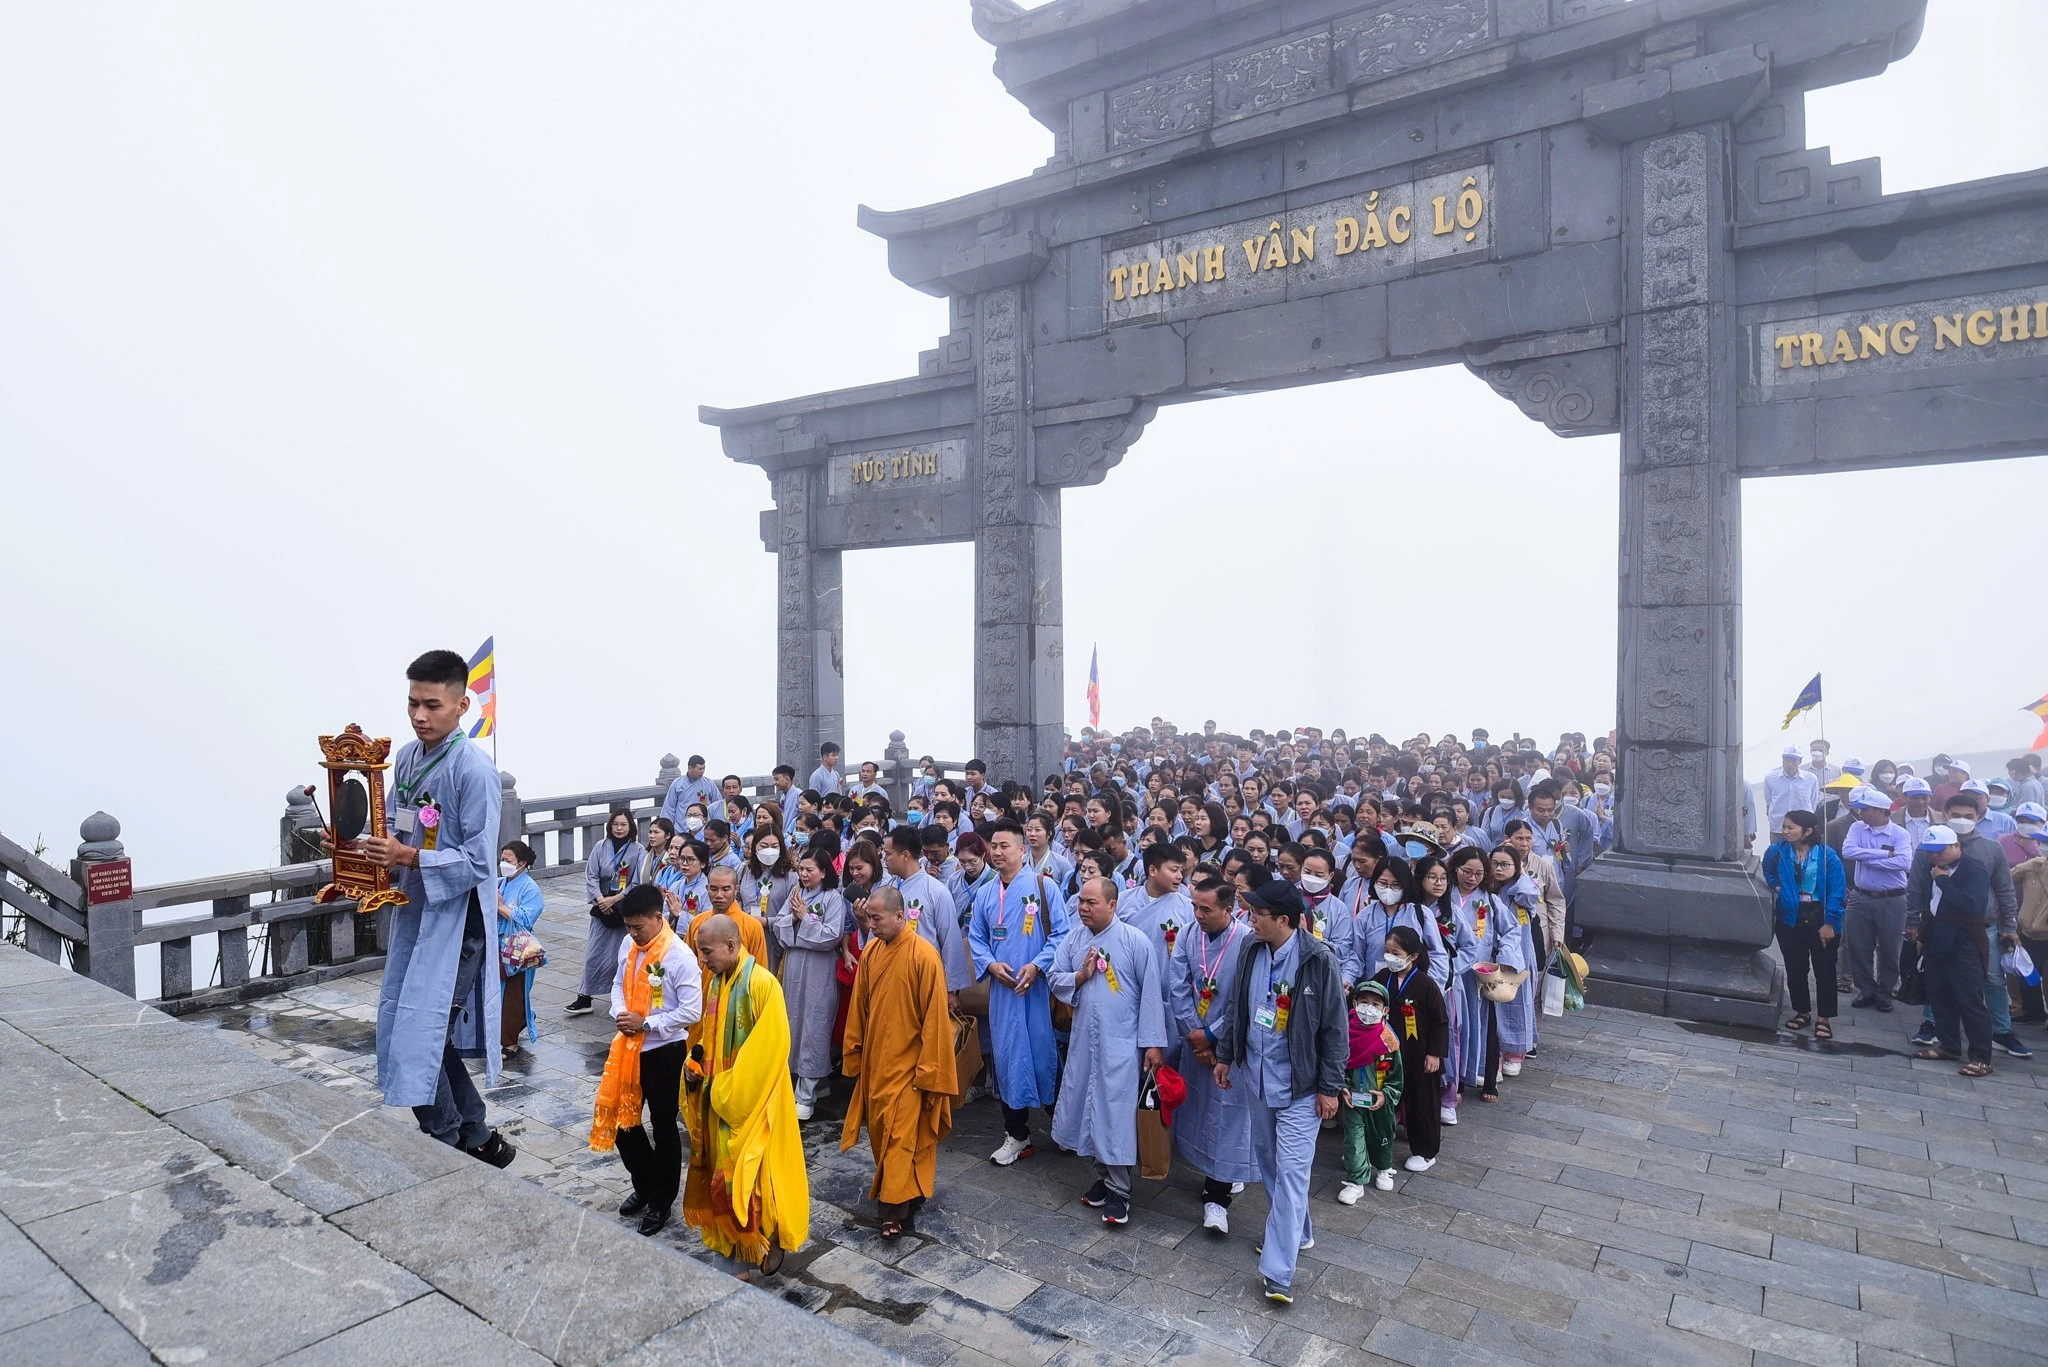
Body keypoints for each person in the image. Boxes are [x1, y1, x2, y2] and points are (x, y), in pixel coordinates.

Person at [351, 649, 514, 1165]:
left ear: (462, 705)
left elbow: (479, 861)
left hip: (458, 921)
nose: (419, 716)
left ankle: (446, 1140)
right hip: (416, 909)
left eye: (432, 705)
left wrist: (409, 857)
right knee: (408, 1026)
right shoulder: (405, 758)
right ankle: (476, 1133)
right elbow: (397, 826)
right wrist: (363, 847)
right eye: (412, 704)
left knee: (421, 1034)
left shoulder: (475, 771)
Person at [1208, 879, 1346, 1305]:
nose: (1250, 920)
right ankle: (1298, 1232)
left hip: (1301, 1086)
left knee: (1291, 1173)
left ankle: (1277, 1272)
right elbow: (1237, 1008)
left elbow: (1335, 1030)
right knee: (1268, 1160)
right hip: (1258, 1077)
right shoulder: (1252, 949)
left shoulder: (1319, 960)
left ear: (1283, 919)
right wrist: (1226, 1055)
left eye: (1257, 914)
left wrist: (1330, 1087)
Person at [681, 913, 808, 1274]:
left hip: (753, 1104)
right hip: (721, 1102)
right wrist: (693, 1069)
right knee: (726, 1181)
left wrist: (725, 1090)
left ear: (731, 945)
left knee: (754, 1181)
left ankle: (760, 1244)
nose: (703, 959)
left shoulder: (762, 985)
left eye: (707, 952)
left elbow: (771, 1050)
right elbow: (706, 1039)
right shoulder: (717, 983)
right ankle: (740, 1253)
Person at [1051, 875, 1170, 1228]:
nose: (1083, 908)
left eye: (1091, 902)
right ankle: (1103, 1177)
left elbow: (1151, 994)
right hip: (1084, 1043)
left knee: (1115, 1114)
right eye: (1081, 902)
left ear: (1112, 905)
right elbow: (1054, 976)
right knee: (1087, 1108)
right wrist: (1079, 976)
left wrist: (1152, 1044)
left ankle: (1120, 1190)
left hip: (1121, 1045)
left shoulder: (1134, 941)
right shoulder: (1075, 938)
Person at [840, 886, 957, 1239]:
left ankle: (892, 1211)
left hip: (911, 1068)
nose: (870, 925)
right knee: (882, 1136)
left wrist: (928, 1072)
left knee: (900, 1138)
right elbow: (859, 1007)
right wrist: (854, 1052)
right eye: (868, 918)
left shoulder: (924, 956)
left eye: (876, 918)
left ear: (900, 916)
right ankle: (909, 1192)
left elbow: (935, 1021)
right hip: (878, 1064)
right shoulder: (872, 952)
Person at [589, 884, 704, 1236]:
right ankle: (644, 1183)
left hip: (664, 1051)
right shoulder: (629, 943)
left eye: (638, 927)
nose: (633, 934)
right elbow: (617, 985)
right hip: (628, 1047)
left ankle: (660, 1201)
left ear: (658, 917)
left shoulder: (680, 956)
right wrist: (621, 1013)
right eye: (629, 927)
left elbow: (692, 1011)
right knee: (623, 1122)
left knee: (664, 1126)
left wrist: (648, 1023)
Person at [968, 819, 1071, 1165]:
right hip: (1003, 992)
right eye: (993, 846)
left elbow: (1062, 934)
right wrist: (990, 965)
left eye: (1004, 846)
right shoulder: (985, 893)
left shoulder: (1044, 886)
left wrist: (1037, 965)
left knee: (1045, 1055)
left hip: (1035, 990)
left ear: (1021, 850)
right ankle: (1017, 1133)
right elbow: (976, 937)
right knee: (1008, 1057)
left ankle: (1064, 1127)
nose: (997, 852)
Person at [1167, 871, 1257, 1234]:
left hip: (1228, 1046)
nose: (1198, 915)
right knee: (1198, 1111)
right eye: (1195, 907)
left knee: (1227, 1120)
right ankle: (1208, 1171)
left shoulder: (1247, 941)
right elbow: (1177, 985)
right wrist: (1193, 1034)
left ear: (1228, 909)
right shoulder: (1188, 934)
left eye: (1206, 909)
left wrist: (1212, 1035)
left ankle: (1217, 1198)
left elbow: (1244, 997)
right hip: (1194, 1040)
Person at [1910, 828, 1996, 1076]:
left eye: (1940, 850)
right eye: (1930, 852)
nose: (1935, 856)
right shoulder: (1932, 868)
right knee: (1939, 993)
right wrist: (1922, 934)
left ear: (1957, 846)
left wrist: (1943, 881)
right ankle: (1948, 1045)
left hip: (1965, 937)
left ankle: (1981, 1057)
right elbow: (1928, 901)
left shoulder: (1974, 869)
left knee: (1969, 998)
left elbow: (1972, 905)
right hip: (1937, 933)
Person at [773, 851, 850, 1121]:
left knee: (815, 1026)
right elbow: (779, 924)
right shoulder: (797, 893)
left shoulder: (833, 898)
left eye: (810, 870)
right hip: (795, 966)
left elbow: (832, 936)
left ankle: (805, 1095)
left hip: (820, 970)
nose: (804, 875)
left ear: (824, 872)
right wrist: (794, 918)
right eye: (802, 869)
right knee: (793, 1023)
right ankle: (809, 1085)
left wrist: (805, 918)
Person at [1762, 810, 1846, 1038]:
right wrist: (1778, 888)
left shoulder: (1827, 856)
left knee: (1825, 969)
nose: (1785, 831)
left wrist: (1830, 923)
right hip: (1790, 916)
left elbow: (1837, 891)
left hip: (1820, 914)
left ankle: (1824, 1017)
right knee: (1795, 967)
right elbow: (1768, 871)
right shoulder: (1777, 851)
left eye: (1791, 828)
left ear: (1807, 831)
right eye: (1784, 826)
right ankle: (1802, 1011)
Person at [1375, 923, 1449, 1173]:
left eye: (1396, 953)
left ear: (1413, 956)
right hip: (1386, 1052)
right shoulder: (1381, 978)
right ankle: (1373, 1147)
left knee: (1423, 1104)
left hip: (1419, 1055)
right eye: (1387, 952)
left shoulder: (1426, 985)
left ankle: (1425, 1151)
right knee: (1383, 1099)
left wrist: (1435, 1054)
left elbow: (1440, 1021)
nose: (1390, 957)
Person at [1839, 787, 1911, 1014]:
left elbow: (1903, 863)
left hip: (1892, 899)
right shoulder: (1857, 828)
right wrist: (1884, 854)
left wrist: (1868, 859)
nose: (1860, 813)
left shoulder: (1900, 834)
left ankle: (1885, 992)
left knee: (1890, 949)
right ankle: (1866, 989)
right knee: (1858, 947)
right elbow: (1848, 852)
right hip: (1860, 896)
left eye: (1865, 809)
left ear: (1880, 811)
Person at [882, 827, 971, 1004]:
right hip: (889, 973)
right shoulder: (887, 888)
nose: (884, 859)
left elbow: (950, 941)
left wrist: (952, 989)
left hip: (923, 976)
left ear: (905, 855)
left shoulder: (936, 891)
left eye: (888, 854)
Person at [569, 809, 642, 1016]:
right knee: (594, 953)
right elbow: (591, 875)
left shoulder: (638, 850)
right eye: (615, 824)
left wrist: (616, 899)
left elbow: (637, 881)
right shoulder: (600, 847)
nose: (619, 828)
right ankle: (585, 995)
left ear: (630, 827)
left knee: (622, 955)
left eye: (623, 824)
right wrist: (601, 899)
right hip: (602, 908)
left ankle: (623, 997)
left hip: (623, 909)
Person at [1336, 980, 1403, 1202]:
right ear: (1354, 1003)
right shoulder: (1345, 1033)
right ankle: (1356, 1181)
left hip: (1379, 1103)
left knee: (1382, 1137)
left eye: (1375, 1004)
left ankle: (1383, 1167)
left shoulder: (1388, 1040)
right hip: (1353, 1100)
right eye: (1364, 1002)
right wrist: (1343, 1087)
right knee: (1354, 1141)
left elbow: (1396, 1076)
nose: (1369, 1008)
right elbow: (1340, 1065)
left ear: (1385, 1010)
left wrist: (1386, 1095)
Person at [1115, 842, 1192, 981]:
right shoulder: (1123, 901)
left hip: (1169, 984)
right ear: (1153, 870)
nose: (1180, 876)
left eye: (1181, 870)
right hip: (1128, 980)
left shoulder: (1188, 907)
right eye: (1174, 870)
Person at [497, 840, 545, 1058]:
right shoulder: (500, 883)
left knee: (514, 995)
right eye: (502, 859)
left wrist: (501, 907)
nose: (504, 864)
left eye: (509, 860)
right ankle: (518, 1021)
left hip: (518, 947)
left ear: (522, 863)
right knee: (498, 992)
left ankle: (510, 1043)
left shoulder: (530, 888)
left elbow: (526, 918)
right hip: (497, 943)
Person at [1760, 746, 1823, 832]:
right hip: (1778, 827)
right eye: (1787, 760)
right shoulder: (1770, 778)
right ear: (1782, 760)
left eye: (1793, 761)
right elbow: (1769, 801)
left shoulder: (1811, 779)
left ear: (1800, 761)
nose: (1789, 764)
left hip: (1802, 829)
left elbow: (1813, 802)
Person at [659, 755, 719, 830]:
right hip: (681, 829)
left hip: (704, 829)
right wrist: (667, 828)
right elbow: (669, 808)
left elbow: (717, 805)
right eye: (699, 769)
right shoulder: (677, 784)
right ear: (690, 768)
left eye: (703, 768)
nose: (702, 771)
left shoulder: (709, 783)